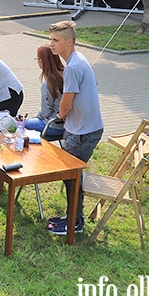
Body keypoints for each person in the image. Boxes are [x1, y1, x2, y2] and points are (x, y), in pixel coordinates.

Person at [46, 20, 104, 236]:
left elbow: (66, 104)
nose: (51, 44)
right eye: (51, 39)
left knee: (72, 176)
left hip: (82, 132)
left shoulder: (72, 67)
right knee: (72, 175)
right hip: (84, 129)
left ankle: (75, 221)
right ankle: (73, 216)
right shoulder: (78, 59)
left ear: (69, 42)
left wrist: (59, 116)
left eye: (55, 40)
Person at [25, 45, 66, 139]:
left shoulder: (48, 83)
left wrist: (36, 116)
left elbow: (46, 112)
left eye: (38, 58)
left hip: (53, 124)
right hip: (68, 124)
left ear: (42, 61)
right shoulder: (65, 73)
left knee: (22, 124)